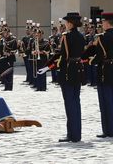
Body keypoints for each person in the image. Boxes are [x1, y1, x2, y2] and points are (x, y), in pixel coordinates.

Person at [39, 12, 85, 142]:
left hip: (68, 72)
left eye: (66, 22)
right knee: (76, 103)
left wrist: (48, 66)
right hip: (78, 70)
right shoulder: (81, 37)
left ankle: (72, 135)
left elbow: (61, 56)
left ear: (70, 23)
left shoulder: (66, 36)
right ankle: (77, 134)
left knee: (69, 104)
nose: (65, 24)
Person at [83, 12, 113, 138]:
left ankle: (108, 130)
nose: (101, 25)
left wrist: (90, 61)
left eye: (102, 22)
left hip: (104, 71)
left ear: (106, 23)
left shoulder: (102, 38)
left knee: (105, 101)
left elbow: (99, 56)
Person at [1, 27, 17, 91]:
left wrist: (9, 53)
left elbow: (15, 49)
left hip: (10, 58)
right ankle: (6, 86)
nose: (4, 34)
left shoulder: (13, 39)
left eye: (5, 32)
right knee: (4, 72)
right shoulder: (3, 39)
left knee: (9, 73)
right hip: (4, 58)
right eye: (3, 33)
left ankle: (10, 87)